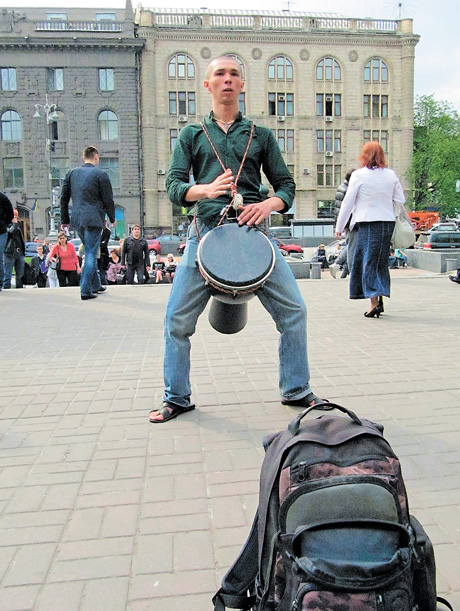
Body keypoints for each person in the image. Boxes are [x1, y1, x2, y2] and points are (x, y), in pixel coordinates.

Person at [149, 55, 324, 424]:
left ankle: (296, 390)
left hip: (254, 236)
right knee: (176, 321)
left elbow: (287, 186)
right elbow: (173, 186)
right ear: (207, 85)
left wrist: (269, 206)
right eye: (219, 74)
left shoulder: (260, 135)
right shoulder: (191, 134)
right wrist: (206, 189)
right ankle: (176, 398)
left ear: (242, 85)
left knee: (294, 312)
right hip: (205, 236)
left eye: (233, 74)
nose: (227, 79)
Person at [335, 141, 405, 318]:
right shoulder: (391, 175)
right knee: (379, 261)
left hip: (366, 222)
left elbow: (348, 203)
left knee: (367, 261)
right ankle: (378, 297)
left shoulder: (359, 175)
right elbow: (400, 200)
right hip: (387, 223)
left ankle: (374, 303)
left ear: (364, 155)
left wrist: (340, 226)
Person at [60, 145, 115, 300]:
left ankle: (96, 285)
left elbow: (63, 199)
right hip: (94, 219)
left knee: (90, 249)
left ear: (83, 157)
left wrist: (65, 220)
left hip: (77, 219)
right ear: (96, 156)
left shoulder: (71, 174)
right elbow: (108, 199)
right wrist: (111, 218)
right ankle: (85, 290)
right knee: (91, 253)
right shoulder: (100, 174)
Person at [3, 208, 25, 289]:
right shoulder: (4, 225)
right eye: (15, 216)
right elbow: (9, 234)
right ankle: (7, 289)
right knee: (7, 274)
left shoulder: (18, 226)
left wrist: (23, 251)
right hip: (9, 253)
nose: (17, 218)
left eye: (17, 216)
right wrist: (14, 225)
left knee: (20, 274)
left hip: (19, 252)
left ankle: (20, 289)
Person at [0, 192, 14, 292]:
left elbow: (10, 213)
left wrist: (5, 224)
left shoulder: (2, 198)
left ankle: (0, 283)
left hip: (0, 232)